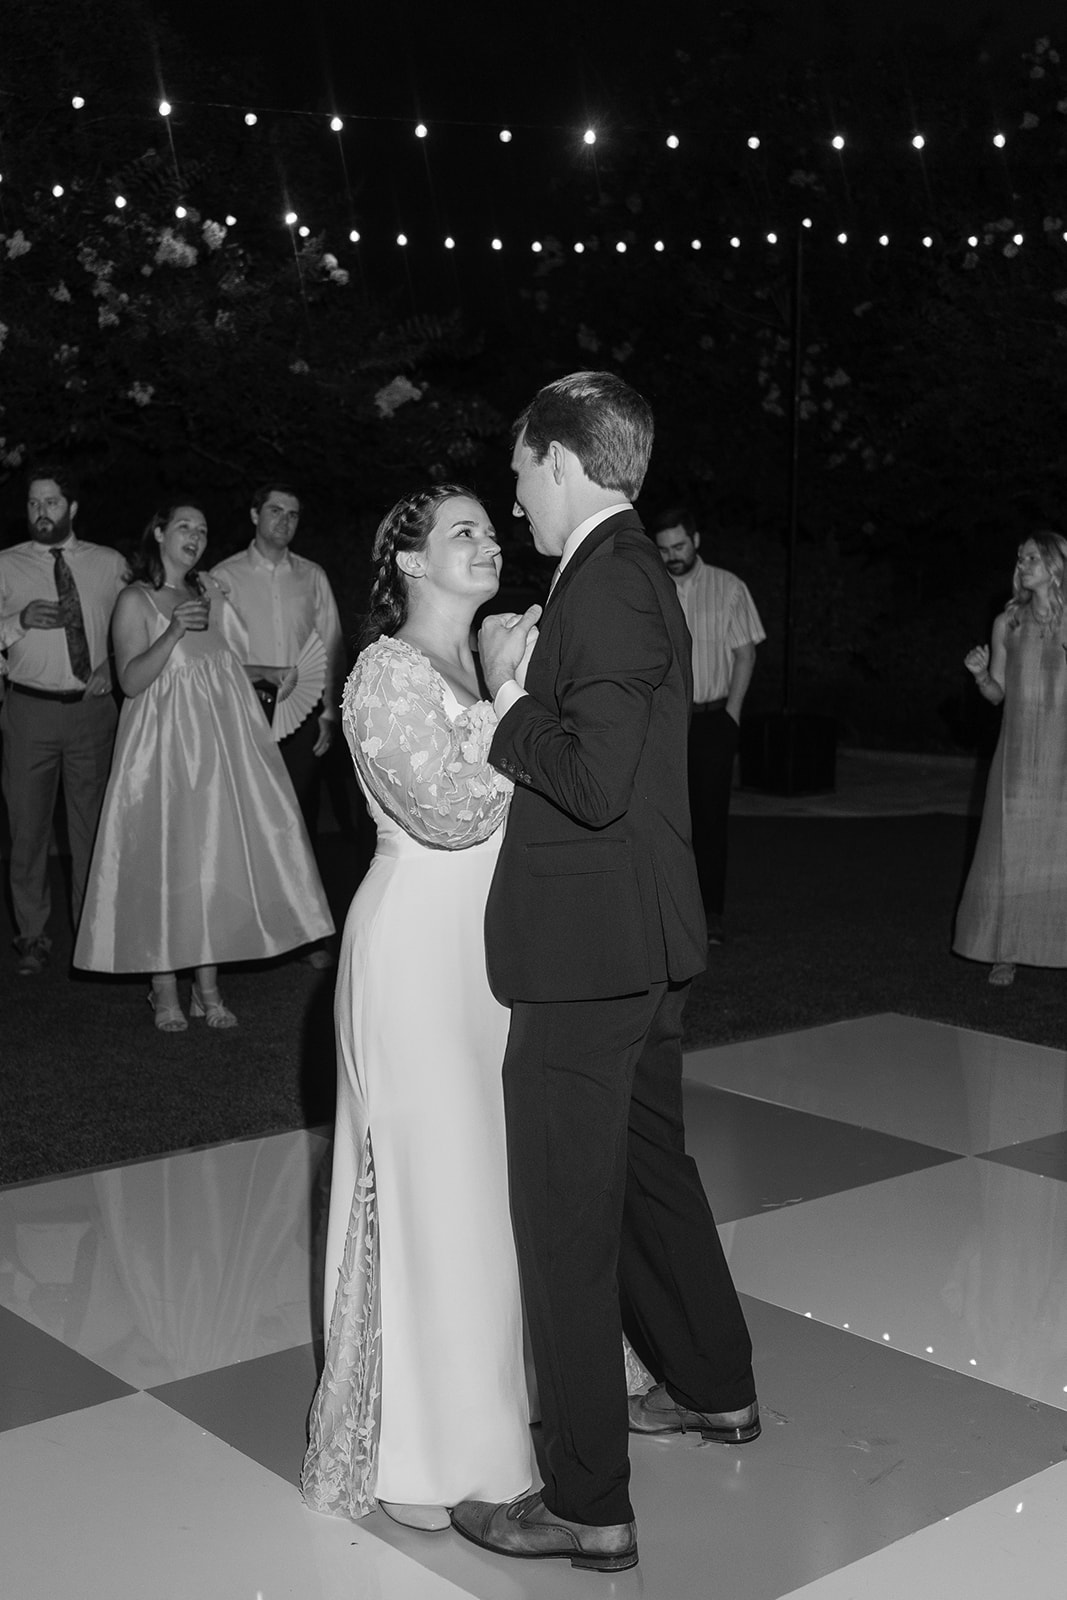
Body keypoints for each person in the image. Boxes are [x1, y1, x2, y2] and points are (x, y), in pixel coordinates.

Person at [449, 373, 759, 1574]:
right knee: (649, 1183)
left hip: (591, 961)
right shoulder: (618, 575)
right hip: (637, 946)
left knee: (566, 1224)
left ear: (564, 461)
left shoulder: (614, 580)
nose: (513, 491)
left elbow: (589, 777)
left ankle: (585, 1502)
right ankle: (714, 1386)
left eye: (520, 468)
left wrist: (501, 703)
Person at [301, 486, 533, 1532]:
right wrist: (507, 697)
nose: (488, 542)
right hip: (409, 959)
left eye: (490, 526)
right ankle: (416, 1456)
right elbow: (451, 808)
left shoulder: (471, 666)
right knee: (427, 1196)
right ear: (406, 564)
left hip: (485, 960)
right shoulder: (382, 674)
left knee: (480, 1193)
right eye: (463, 532)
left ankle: (479, 1423)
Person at [73, 502, 334, 1029]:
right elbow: (131, 681)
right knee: (166, 864)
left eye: (204, 528)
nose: (197, 535)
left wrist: (269, 671)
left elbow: (220, 667)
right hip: (160, 757)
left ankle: (208, 988)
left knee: (210, 864)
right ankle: (164, 987)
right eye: (185, 526)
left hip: (213, 754)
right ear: (160, 532)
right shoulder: (136, 599)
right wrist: (170, 631)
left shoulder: (205, 595)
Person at [211, 485, 345, 971]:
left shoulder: (312, 576)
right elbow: (214, 652)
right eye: (275, 511)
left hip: (302, 708)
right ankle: (241, 928)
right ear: (254, 514)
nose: (284, 521)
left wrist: (330, 711)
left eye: (293, 514)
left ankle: (306, 934)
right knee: (243, 819)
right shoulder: (223, 576)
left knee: (297, 822)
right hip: (242, 708)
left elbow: (329, 644)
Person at [0, 466, 126, 976]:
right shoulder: (5, 566)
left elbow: (136, 625)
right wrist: (17, 622)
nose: (41, 512)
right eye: (33, 503)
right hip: (28, 710)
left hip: (92, 713)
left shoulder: (110, 563)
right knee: (26, 829)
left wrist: (114, 666)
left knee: (92, 830)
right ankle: (32, 934)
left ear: (71, 508)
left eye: (51, 503)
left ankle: (91, 933)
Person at [954, 531, 1067, 987]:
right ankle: (1006, 949)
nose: (1023, 564)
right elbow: (997, 693)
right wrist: (981, 675)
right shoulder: (1009, 624)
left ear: (1057, 565)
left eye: (1033, 557)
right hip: (1019, 752)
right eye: (1020, 557)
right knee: (1012, 850)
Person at [652, 506, 764, 943]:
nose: (672, 556)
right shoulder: (650, 588)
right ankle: (668, 914)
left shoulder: (729, 587)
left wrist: (732, 715)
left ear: (696, 541)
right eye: (663, 549)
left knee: (711, 821)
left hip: (712, 718)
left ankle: (710, 914)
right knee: (664, 818)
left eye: (679, 546)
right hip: (663, 722)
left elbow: (745, 654)